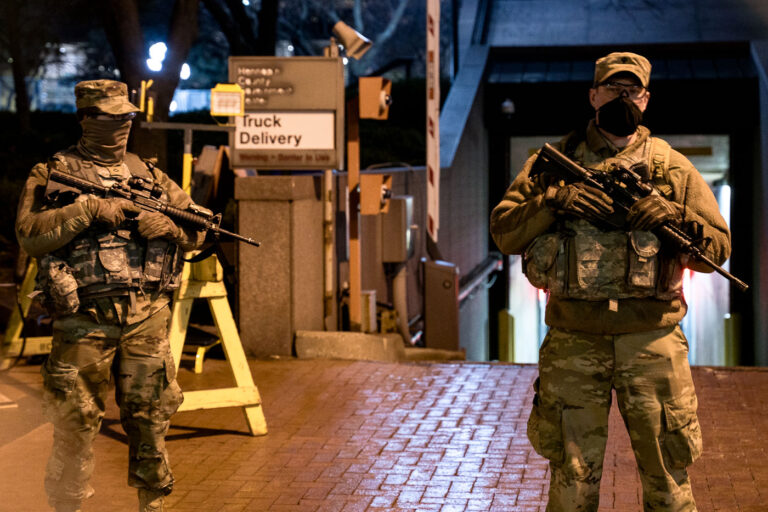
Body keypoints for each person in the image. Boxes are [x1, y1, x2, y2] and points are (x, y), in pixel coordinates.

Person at [490, 52, 731, 511]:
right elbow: (504, 232)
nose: (623, 98)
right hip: (575, 342)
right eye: (613, 89)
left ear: (646, 98)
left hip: (651, 341)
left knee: (667, 478)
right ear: (593, 95)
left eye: (633, 91)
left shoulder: (672, 168)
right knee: (572, 476)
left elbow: (718, 250)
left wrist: (676, 215)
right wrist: (555, 200)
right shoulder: (552, 163)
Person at [15, 80, 207, 512]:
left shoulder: (150, 176)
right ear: (86, 118)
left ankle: (154, 504)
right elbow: (29, 235)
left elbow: (198, 226)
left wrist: (171, 228)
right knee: (74, 421)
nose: (120, 126)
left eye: (126, 118)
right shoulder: (52, 173)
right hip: (84, 320)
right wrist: (86, 210)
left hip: (146, 320)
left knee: (151, 418)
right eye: (109, 118)